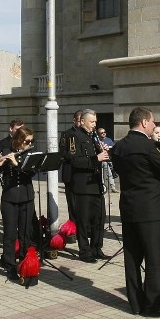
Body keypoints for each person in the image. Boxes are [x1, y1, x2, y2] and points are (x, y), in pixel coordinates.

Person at [110, 107, 160, 316]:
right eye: (153, 122)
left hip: (129, 208)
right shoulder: (149, 146)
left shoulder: (119, 147)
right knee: (155, 259)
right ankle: (152, 304)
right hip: (151, 211)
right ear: (145, 122)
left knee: (132, 258)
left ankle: (136, 304)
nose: (155, 126)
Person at [0, 126, 38, 282]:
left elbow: (30, 173)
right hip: (10, 198)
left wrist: (16, 163)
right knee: (10, 235)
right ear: (19, 139)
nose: (29, 143)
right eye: (27, 141)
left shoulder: (30, 154)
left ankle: (26, 265)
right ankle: (10, 267)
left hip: (26, 197)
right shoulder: (6, 150)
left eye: (31, 141)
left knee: (25, 234)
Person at [64, 109, 108, 262]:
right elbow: (75, 161)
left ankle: (97, 248)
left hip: (96, 184)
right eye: (91, 122)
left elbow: (98, 157)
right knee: (83, 220)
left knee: (99, 218)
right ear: (82, 121)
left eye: (95, 122)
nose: (94, 125)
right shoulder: (74, 136)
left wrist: (103, 151)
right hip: (82, 186)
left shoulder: (93, 137)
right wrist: (96, 158)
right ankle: (85, 251)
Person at [59, 110, 83, 222]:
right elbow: (63, 152)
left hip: (83, 173)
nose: (81, 124)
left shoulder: (88, 135)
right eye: (79, 121)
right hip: (70, 173)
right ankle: (73, 226)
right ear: (74, 121)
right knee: (72, 202)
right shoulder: (66, 134)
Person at [97, 127, 118, 192]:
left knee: (110, 174)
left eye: (104, 132)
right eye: (102, 133)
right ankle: (103, 188)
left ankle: (113, 188)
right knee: (101, 176)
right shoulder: (97, 140)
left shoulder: (109, 140)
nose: (103, 134)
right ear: (99, 134)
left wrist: (108, 148)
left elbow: (113, 148)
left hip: (107, 160)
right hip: (100, 161)